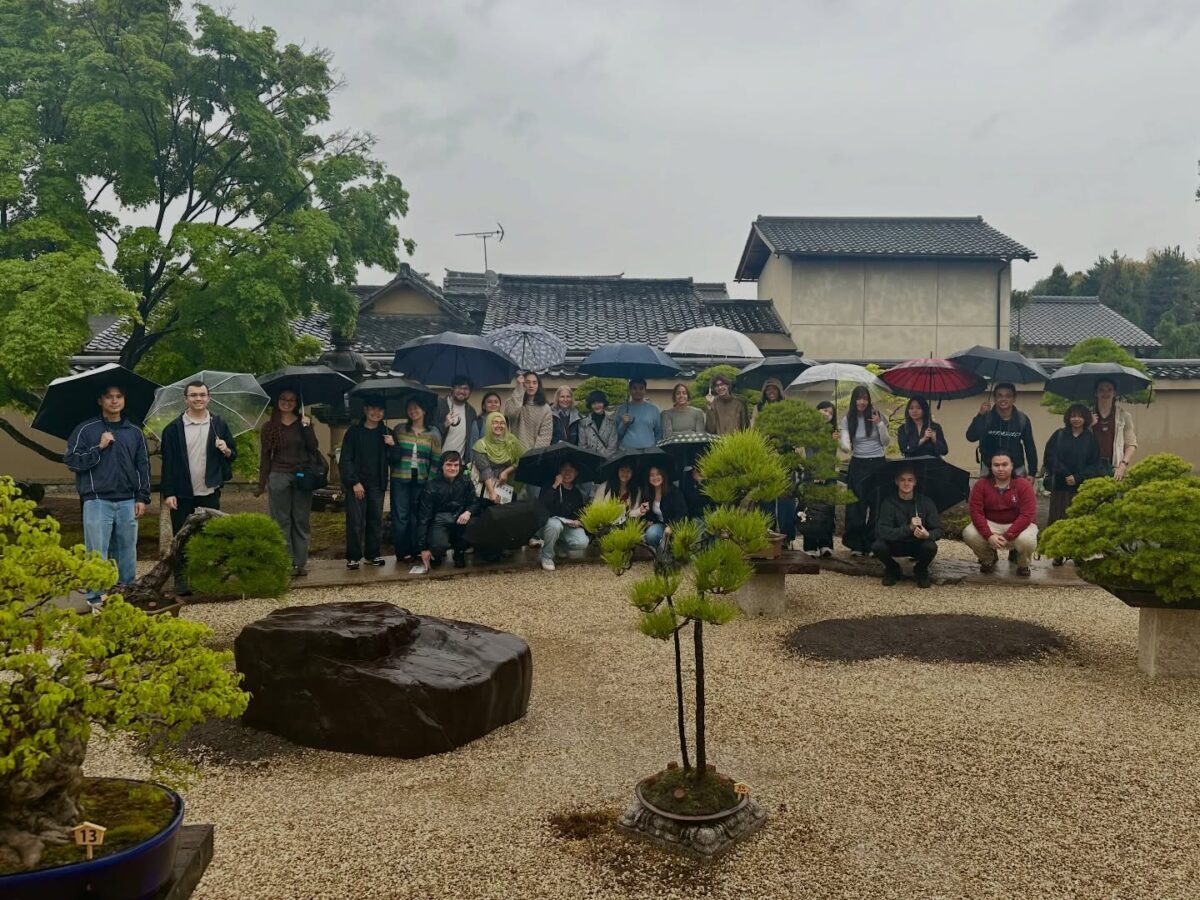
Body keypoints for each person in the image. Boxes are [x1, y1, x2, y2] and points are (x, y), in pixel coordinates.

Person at [64, 384, 151, 608]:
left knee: (127, 551)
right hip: (96, 500)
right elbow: (72, 461)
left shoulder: (134, 432)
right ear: (100, 400)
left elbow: (143, 466)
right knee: (97, 552)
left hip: (128, 500)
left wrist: (142, 497)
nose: (114, 401)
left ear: (124, 400)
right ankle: (95, 598)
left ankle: (126, 593)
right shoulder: (86, 430)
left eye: (119, 396)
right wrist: (99, 447)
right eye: (109, 397)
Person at [159, 380, 237, 594]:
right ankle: (182, 579)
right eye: (193, 395)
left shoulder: (218, 424)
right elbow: (168, 464)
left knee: (208, 536)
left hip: (209, 490)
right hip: (182, 492)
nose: (198, 399)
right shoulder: (173, 429)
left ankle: (204, 577)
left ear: (209, 398)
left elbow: (233, 455)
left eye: (202, 395)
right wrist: (169, 492)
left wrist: (226, 449)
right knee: (182, 537)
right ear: (186, 399)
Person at [257, 390, 319, 577]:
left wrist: (307, 428)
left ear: (297, 402)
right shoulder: (269, 427)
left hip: (302, 476)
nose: (287, 402)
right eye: (283, 399)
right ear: (277, 401)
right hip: (279, 475)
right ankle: (285, 562)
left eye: (292, 400)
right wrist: (262, 483)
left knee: (300, 519)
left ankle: (300, 563)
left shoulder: (304, 423)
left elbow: (313, 448)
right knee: (281, 520)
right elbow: (265, 456)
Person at [962, 451, 1038, 576]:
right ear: (991, 467)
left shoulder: (1024, 485)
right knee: (969, 534)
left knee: (1027, 540)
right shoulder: (981, 485)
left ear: (1012, 465)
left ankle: (1023, 565)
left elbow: (1027, 514)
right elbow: (976, 513)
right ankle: (988, 559)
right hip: (991, 523)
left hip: (1018, 523)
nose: (1000, 469)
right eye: (996, 465)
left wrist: (1008, 536)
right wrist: (989, 536)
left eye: (1004, 464)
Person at [1043, 404, 1101, 564]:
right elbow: (1050, 457)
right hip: (1060, 486)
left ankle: (1078, 553)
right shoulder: (1059, 435)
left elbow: (1095, 464)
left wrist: (1078, 477)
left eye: (1080, 416)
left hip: (1080, 488)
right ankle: (1058, 553)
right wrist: (1065, 474)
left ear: (1085, 418)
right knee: (1058, 518)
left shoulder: (1090, 439)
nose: (1076, 419)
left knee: (1078, 519)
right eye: (1073, 416)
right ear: (1068, 418)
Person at [339, 398, 392, 570]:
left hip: (377, 484)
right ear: (365, 409)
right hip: (357, 484)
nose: (376, 413)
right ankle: (353, 557)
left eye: (380, 410)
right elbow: (345, 459)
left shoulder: (386, 432)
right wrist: (354, 482)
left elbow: (396, 459)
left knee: (375, 520)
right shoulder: (354, 432)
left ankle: (372, 554)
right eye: (373, 409)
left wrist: (392, 445)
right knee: (355, 521)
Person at [389, 398, 442, 564]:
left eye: (416, 407)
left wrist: (431, 481)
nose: (413, 411)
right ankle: (402, 551)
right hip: (400, 478)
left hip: (422, 479)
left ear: (424, 410)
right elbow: (393, 453)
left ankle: (417, 548)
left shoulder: (433, 432)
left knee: (418, 516)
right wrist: (391, 444)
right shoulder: (399, 429)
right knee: (401, 516)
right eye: (410, 408)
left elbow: (436, 459)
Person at [870, 467, 942, 588]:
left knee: (931, 546)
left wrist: (928, 535)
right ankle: (892, 568)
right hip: (895, 544)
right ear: (896, 482)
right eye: (902, 480)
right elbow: (882, 531)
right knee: (877, 546)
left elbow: (939, 530)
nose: (906, 483)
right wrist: (909, 528)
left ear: (915, 482)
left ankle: (920, 569)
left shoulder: (926, 502)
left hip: (917, 545)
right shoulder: (888, 502)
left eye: (910, 480)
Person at [840, 385, 891, 554]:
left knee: (877, 505)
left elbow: (886, 442)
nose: (861, 402)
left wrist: (880, 424)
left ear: (869, 400)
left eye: (865, 398)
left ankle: (873, 543)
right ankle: (856, 544)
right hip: (858, 464)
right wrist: (842, 442)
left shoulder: (877, 415)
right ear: (853, 400)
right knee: (856, 505)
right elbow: (845, 444)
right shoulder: (848, 419)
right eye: (858, 398)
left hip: (877, 463)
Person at [416, 451, 479, 570]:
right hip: (440, 521)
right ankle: (436, 553)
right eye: (449, 465)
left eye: (456, 465)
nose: (453, 468)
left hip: (460, 519)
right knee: (438, 547)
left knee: (474, 524)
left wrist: (468, 512)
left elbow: (475, 502)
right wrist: (423, 548)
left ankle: (459, 551)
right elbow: (424, 517)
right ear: (442, 466)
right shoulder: (431, 486)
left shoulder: (466, 482)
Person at [966, 382, 1038, 480]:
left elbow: (1030, 446)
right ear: (994, 398)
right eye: (999, 396)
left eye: (1008, 396)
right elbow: (971, 437)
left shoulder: (1022, 419)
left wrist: (1032, 473)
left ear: (1014, 399)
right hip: (989, 470)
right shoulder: (987, 417)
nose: (1003, 399)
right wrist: (980, 415)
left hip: (1016, 470)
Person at [536, 461, 590, 571]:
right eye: (564, 469)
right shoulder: (550, 486)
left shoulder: (576, 493)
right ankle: (547, 556)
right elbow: (542, 504)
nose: (567, 473)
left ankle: (560, 545)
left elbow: (578, 512)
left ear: (576, 474)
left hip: (566, 526)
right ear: (559, 471)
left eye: (571, 470)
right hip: (547, 525)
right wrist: (555, 485)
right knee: (555, 525)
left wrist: (578, 521)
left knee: (583, 542)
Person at [471, 412, 524, 505]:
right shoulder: (480, 445)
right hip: (487, 490)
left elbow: (521, 460)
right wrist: (492, 493)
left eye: (502, 423)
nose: (499, 425)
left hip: (508, 489)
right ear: (488, 425)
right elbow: (485, 471)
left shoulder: (512, 441)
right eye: (495, 422)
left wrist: (506, 472)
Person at [1093, 378, 1138, 481]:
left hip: (1115, 467)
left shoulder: (1124, 416)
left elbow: (1131, 444)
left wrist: (1123, 465)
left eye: (1109, 389)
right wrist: (1088, 424)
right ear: (1096, 393)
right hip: (1091, 468)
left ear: (1114, 393)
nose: (1105, 393)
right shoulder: (1087, 415)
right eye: (1101, 390)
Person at [641, 465, 688, 548]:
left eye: (658, 474)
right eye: (652, 475)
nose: (655, 477)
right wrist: (649, 519)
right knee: (650, 535)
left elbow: (682, 513)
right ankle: (661, 551)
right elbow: (652, 514)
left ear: (663, 475)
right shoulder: (649, 492)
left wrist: (672, 526)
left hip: (677, 525)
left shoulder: (674, 492)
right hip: (662, 525)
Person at [504, 372, 552, 451]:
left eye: (534, 383)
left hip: (535, 454)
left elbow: (545, 437)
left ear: (538, 385)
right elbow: (510, 414)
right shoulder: (513, 401)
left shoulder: (545, 409)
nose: (531, 385)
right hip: (514, 451)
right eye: (527, 382)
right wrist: (519, 389)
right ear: (523, 384)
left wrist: (534, 454)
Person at [435, 376, 477, 458]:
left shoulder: (471, 412)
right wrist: (444, 425)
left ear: (470, 392)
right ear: (452, 389)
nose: (462, 391)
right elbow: (428, 432)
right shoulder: (439, 405)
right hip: (438, 460)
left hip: (459, 462)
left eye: (466, 388)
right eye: (458, 387)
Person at [614, 378, 661, 449]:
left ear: (645, 390)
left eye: (641, 388)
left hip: (649, 451)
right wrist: (623, 424)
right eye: (634, 388)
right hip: (626, 451)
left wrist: (655, 449)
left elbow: (659, 433)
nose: (637, 391)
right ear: (630, 390)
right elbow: (616, 436)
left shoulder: (653, 410)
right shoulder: (622, 409)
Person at [579, 390, 618, 457]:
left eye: (599, 402)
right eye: (594, 403)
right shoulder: (584, 423)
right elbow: (582, 446)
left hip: (607, 460)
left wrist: (603, 459)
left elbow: (612, 447)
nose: (597, 406)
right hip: (589, 459)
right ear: (590, 405)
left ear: (604, 403)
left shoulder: (611, 422)